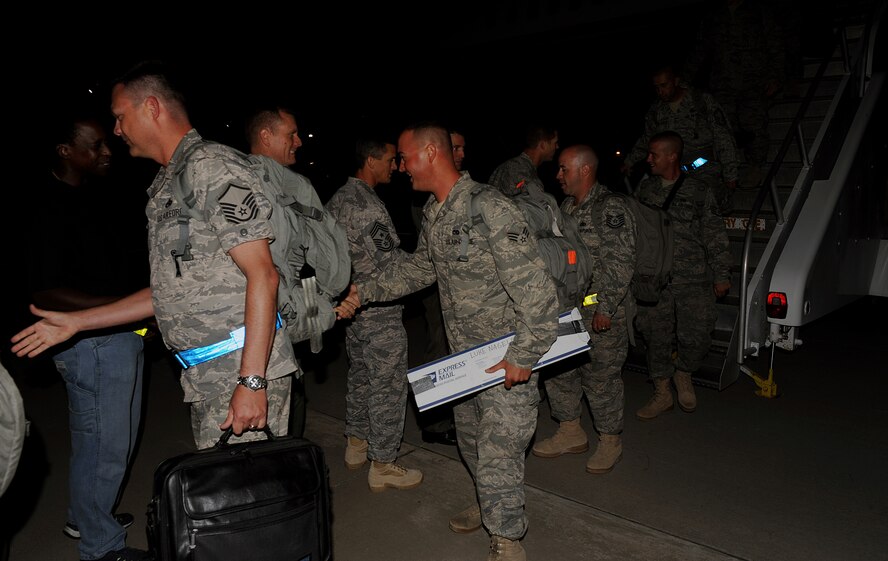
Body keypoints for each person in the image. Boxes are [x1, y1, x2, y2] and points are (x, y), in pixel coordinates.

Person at [11, 60, 299, 452]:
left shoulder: (211, 166)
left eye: (119, 117)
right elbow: (167, 293)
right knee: (232, 504)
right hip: (209, 376)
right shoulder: (169, 182)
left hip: (240, 369)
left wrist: (251, 382)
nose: (116, 130)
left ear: (151, 107)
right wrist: (77, 323)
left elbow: (263, 275)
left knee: (252, 505)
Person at [352, 122, 559, 560]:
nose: (402, 167)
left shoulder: (490, 208)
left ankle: (506, 539)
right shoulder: (436, 211)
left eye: (406, 157)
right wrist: (363, 291)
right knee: (472, 444)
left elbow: (537, 291)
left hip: (507, 356)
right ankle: (489, 506)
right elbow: (419, 270)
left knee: (500, 452)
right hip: (466, 359)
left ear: (430, 153)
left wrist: (524, 355)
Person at [24, 110, 148, 561]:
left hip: (115, 337)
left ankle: (87, 517)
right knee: (104, 447)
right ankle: (101, 547)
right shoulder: (48, 206)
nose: (106, 151)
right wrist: (117, 312)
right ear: (65, 151)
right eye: (94, 145)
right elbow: (46, 289)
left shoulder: (91, 198)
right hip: (90, 345)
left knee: (115, 441)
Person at [325, 138, 423, 492]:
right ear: (370, 161)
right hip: (377, 308)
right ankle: (383, 462)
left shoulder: (337, 199)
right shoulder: (365, 205)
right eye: (389, 160)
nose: (395, 167)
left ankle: (357, 443)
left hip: (352, 306)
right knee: (387, 385)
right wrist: (428, 264)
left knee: (362, 376)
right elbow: (391, 263)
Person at [532, 145, 636, 475]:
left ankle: (610, 441)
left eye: (564, 169)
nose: (558, 175)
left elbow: (620, 262)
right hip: (567, 310)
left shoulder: (610, 207)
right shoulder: (565, 207)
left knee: (601, 379)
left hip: (601, 313)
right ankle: (570, 431)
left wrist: (606, 307)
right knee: (560, 372)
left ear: (585, 171)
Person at [633, 131, 732, 420]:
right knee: (655, 336)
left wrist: (721, 274)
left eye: (654, 154)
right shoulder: (645, 190)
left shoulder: (699, 190)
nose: (648, 159)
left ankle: (684, 373)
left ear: (672, 156)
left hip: (693, 277)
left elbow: (714, 233)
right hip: (655, 278)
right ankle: (662, 391)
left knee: (699, 333)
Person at [244, 104, 308, 438]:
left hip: (283, 327)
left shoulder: (284, 185)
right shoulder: (249, 184)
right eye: (291, 134)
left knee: (291, 419)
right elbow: (267, 268)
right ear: (266, 136)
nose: (298, 141)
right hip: (263, 335)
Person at [682, 0, 786, 189]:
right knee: (723, 128)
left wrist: (776, 75)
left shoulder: (757, 9)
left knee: (753, 123)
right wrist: (684, 80)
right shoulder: (714, 15)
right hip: (723, 82)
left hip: (754, 80)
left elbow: (775, 41)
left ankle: (755, 166)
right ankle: (730, 168)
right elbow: (701, 49)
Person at [412, 127, 468, 447]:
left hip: (473, 314)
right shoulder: (430, 203)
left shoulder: (480, 202)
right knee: (438, 347)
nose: (460, 154)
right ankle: (434, 423)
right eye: (455, 147)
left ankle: (442, 418)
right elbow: (423, 262)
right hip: (439, 293)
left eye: (462, 149)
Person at [623, 64, 739, 215]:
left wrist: (730, 172)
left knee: (710, 205)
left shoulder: (701, 101)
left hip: (703, 168)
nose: (660, 91)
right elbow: (648, 138)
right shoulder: (657, 110)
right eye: (656, 87)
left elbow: (723, 136)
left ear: (676, 81)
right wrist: (630, 161)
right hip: (672, 171)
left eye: (664, 85)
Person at [488, 123, 559, 198]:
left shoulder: (512, 166)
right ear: (543, 145)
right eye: (555, 143)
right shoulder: (520, 170)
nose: (557, 147)